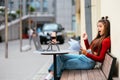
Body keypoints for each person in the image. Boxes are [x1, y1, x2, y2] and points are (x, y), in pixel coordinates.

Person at [44, 16, 111, 80]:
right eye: (97, 26)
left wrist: (86, 54)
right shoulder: (99, 38)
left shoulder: (106, 41)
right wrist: (85, 40)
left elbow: (101, 59)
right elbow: (90, 49)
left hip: (88, 62)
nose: (98, 28)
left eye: (100, 26)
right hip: (84, 57)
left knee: (63, 64)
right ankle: (50, 75)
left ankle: (52, 78)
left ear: (106, 28)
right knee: (60, 57)